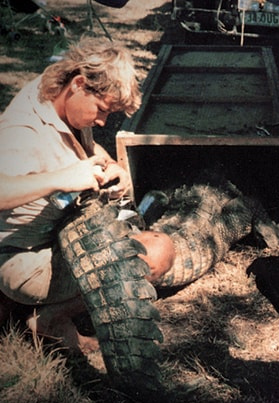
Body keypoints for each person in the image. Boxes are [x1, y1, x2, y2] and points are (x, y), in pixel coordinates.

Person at [0, 37, 175, 352]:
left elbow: (87, 145)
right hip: (25, 258)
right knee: (158, 251)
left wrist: (111, 166)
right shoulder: (23, 131)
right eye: (102, 111)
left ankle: (26, 307)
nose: (102, 121)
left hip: (54, 235)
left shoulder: (58, 94)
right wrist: (62, 178)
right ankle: (51, 317)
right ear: (79, 84)